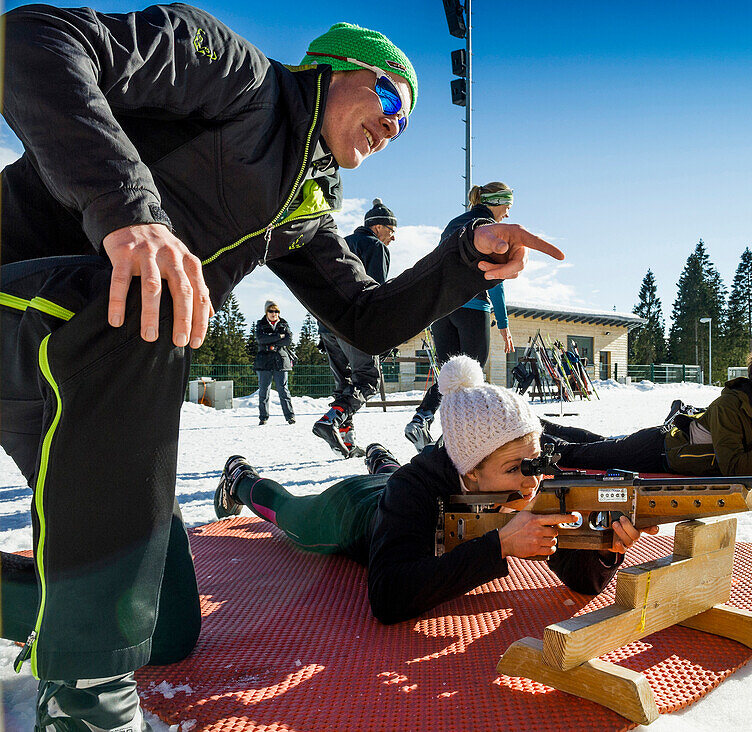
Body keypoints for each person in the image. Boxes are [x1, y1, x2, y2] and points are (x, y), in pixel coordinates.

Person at [0, 7, 562, 728]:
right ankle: (86, 707)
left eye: (407, 123)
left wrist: (463, 258)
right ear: (332, 70)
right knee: (153, 296)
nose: (394, 127)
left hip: (90, 376)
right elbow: (31, 38)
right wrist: (127, 212)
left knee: (161, 625)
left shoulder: (304, 206)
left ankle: (72, 631)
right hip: (32, 305)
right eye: (390, 99)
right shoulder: (236, 74)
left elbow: (367, 317)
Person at [213, 355, 656, 624]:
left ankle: (380, 457)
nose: (532, 479)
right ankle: (243, 480)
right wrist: (498, 545)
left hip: (397, 480)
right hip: (358, 510)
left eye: (536, 463)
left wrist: (604, 548)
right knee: (294, 516)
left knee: (392, 472)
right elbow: (388, 598)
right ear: (472, 472)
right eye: (514, 468)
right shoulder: (415, 490)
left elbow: (583, 583)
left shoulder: (524, 487)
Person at [544, 340, 752, 477]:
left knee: (598, 442)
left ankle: (540, 426)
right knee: (583, 455)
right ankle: (538, 442)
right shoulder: (733, 403)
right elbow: (734, 467)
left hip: (673, 447)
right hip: (662, 447)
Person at [405, 183, 518, 450]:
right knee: (471, 377)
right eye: (508, 207)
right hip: (473, 307)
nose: (508, 215)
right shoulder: (491, 230)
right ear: (497, 202)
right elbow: (496, 278)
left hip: (442, 310)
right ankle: (460, 440)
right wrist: (503, 324)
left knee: (449, 377)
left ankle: (423, 419)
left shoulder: (453, 224)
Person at [313, 199, 398, 457]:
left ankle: (346, 442)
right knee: (368, 380)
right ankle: (331, 421)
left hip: (327, 322)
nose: (393, 238)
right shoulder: (376, 248)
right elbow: (375, 293)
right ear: (378, 227)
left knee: (344, 385)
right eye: (392, 230)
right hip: (355, 324)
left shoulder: (342, 242)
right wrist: (383, 335)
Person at [253, 300, 297, 425]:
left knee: (283, 390)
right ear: (266, 312)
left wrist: (272, 341)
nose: (274, 313)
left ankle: (290, 417)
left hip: (281, 361)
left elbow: (288, 341)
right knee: (263, 391)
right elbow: (261, 339)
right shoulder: (260, 324)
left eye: (276, 311)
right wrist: (279, 337)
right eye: (271, 311)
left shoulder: (284, 324)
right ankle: (263, 417)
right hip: (264, 362)